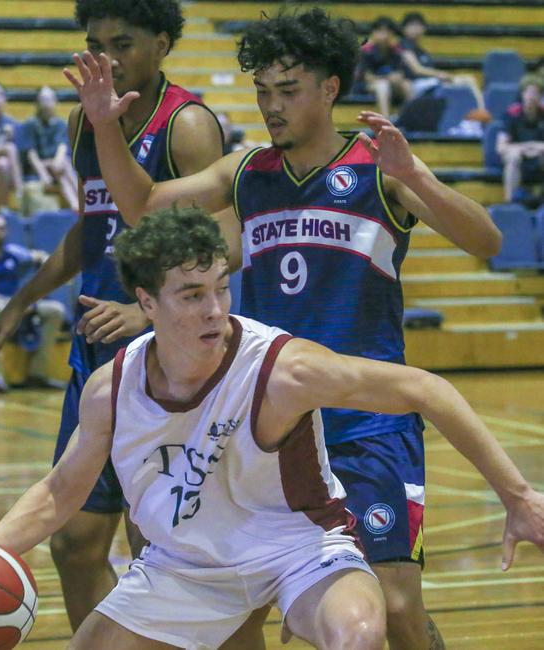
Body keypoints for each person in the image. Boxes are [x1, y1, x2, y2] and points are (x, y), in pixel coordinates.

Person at [65, 8, 503, 649]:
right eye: (263, 91)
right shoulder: (248, 173)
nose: (272, 105)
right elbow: (140, 206)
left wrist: (415, 178)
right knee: (236, 611)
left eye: (288, 90)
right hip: (268, 423)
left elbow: (486, 241)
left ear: (329, 89)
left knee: (398, 603)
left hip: (363, 416)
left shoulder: (381, 170)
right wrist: (105, 127)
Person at [0, 207, 544, 650]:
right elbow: (61, 491)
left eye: (220, 287)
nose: (214, 309)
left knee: (357, 632)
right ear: (146, 302)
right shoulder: (114, 385)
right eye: (191, 295)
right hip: (184, 566)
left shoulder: (281, 367)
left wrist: (517, 497)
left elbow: (424, 389)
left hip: (299, 552)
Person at [0, 0, 233, 636]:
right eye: (96, 42)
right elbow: (93, 230)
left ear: (163, 45)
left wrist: (144, 311)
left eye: (124, 42)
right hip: (96, 360)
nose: (107, 57)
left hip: (169, 365)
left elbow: (223, 237)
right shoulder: (85, 125)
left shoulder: (187, 125)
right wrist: (21, 300)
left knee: (158, 551)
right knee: (75, 546)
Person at [0, 212, 66, 391]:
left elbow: (39, 257)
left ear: (6, 231)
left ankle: (37, 373)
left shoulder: (13, 252)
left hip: (13, 306)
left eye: (0, 228)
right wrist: (13, 307)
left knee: (56, 310)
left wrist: (44, 260)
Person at [399, 12, 485, 109]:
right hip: (417, 84)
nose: (415, 29)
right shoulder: (404, 46)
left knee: (469, 80)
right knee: (467, 81)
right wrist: (440, 74)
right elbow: (417, 69)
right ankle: (481, 109)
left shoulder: (421, 50)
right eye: (412, 25)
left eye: (418, 25)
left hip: (430, 82)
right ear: (404, 29)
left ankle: (481, 109)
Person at [24, 86, 79, 211]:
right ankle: (79, 202)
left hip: (57, 167)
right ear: (37, 103)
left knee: (63, 165)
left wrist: (56, 163)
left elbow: (62, 148)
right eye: (43, 100)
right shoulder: (30, 125)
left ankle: (76, 204)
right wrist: (43, 174)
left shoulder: (61, 124)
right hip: (37, 168)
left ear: (55, 102)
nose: (46, 104)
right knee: (63, 166)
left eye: (49, 100)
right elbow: (31, 154)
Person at [496, 74, 544, 204]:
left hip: (538, 157)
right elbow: (501, 147)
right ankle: (510, 202)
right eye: (528, 92)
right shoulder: (511, 114)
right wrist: (526, 147)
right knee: (513, 156)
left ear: (540, 97)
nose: (531, 97)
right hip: (517, 155)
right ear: (522, 94)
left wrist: (536, 148)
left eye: (535, 93)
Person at [355, 16, 412, 117]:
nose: (384, 35)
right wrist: (387, 78)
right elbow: (367, 78)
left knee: (406, 85)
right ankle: (385, 121)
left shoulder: (396, 51)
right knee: (382, 86)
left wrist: (396, 78)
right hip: (367, 86)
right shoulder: (367, 51)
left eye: (387, 32)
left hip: (391, 84)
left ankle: (406, 118)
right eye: (380, 31)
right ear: (373, 33)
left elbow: (400, 74)